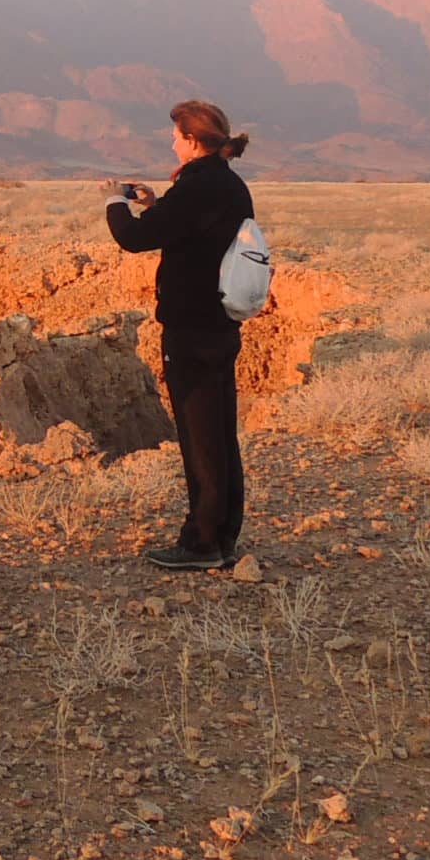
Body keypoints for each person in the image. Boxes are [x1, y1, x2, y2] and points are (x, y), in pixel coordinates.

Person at [104, 98, 255, 571]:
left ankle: (202, 542)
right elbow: (190, 228)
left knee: (198, 433)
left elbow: (134, 239)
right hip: (221, 323)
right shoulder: (228, 184)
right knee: (220, 431)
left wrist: (114, 201)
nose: (171, 142)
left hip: (192, 326)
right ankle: (225, 535)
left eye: (175, 136)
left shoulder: (196, 187)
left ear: (193, 140)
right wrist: (155, 204)